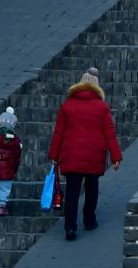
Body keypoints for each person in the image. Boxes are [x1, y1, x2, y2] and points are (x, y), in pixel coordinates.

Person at [48, 69, 122, 240]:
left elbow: (59, 132)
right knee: (91, 188)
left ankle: (70, 227)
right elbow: (109, 133)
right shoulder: (102, 107)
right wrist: (116, 157)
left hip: (71, 155)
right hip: (93, 155)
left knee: (72, 191)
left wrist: (54, 155)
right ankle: (89, 220)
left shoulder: (67, 105)